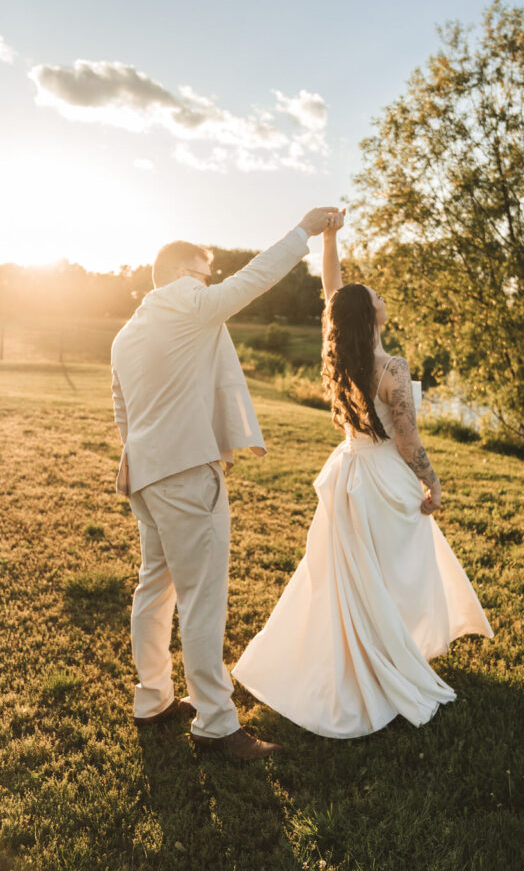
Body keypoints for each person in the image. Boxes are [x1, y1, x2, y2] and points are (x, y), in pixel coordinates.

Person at [232, 211, 494, 738]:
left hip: (350, 472)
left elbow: (335, 291)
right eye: (374, 295)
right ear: (371, 313)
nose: (379, 297)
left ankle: (366, 651)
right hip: (383, 479)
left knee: (351, 575)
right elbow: (407, 440)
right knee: (397, 572)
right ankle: (387, 658)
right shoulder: (390, 366)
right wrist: (432, 481)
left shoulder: (345, 353)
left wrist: (331, 239)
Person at [110, 207, 338, 761]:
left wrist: (151, 453)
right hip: (187, 475)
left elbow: (121, 409)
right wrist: (303, 231)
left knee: (155, 588)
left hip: (147, 475)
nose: (208, 281)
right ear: (179, 272)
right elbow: (251, 280)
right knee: (203, 598)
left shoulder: (127, 332)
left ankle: (153, 699)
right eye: (202, 271)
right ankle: (216, 723)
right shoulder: (184, 301)